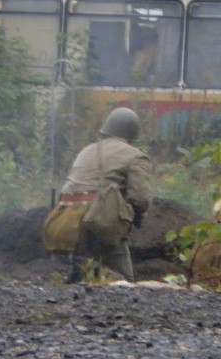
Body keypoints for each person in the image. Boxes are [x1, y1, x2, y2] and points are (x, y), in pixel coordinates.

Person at [58, 107, 152, 282]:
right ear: (132, 133)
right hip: (100, 219)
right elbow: (141, 198)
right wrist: (136, 217)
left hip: (66, 218)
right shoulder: (135, 156)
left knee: (81, 272)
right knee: (124, 282)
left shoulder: (86, 151)